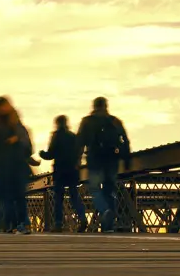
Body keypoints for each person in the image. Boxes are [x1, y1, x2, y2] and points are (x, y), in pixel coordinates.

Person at [76, 97, 131, 233]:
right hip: (112, 159)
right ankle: (109, 226)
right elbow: (125, 140)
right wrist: (126, 159)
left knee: (95, 189)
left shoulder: (87, 121)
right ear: (106, 106)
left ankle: (104, 210)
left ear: (94, 106)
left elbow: (79, 142)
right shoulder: (115, 121)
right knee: (109, 190)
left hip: (95, 159)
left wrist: (77, 160)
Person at [0, 96, 33, 234]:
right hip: (9, 165)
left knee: (13, 196)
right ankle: (15, 224)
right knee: (12, 196)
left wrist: (17, 140)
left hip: (12, 165)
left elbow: (26, 144)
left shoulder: (14, 123)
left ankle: (17, 224)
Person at [40, 115, 88, 233]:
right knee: (74, 195)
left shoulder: (56, 136)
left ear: (57, 124)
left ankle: (58, 224)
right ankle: (82, 217)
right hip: (72, 170)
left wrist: (42, 154)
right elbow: (79, 151)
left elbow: (51, 154)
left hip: (60, 170)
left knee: (58, 198)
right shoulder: (73, 136)